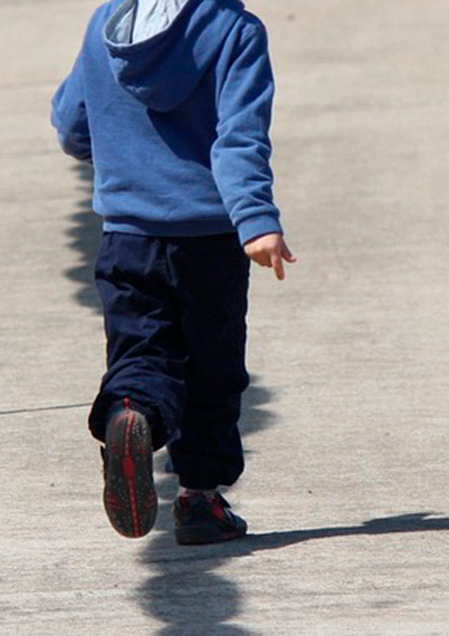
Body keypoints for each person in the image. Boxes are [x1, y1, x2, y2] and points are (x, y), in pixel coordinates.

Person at [51, 0, 294, 545]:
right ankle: (200, 498)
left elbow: (72, 122)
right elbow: (239, 137)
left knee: (141, 351)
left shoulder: (105, 23)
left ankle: (132, 413)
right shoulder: (236, 31)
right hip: (207, 240)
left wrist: (118, 157)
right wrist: (256, 220)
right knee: (212, 366)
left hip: (126, 237)